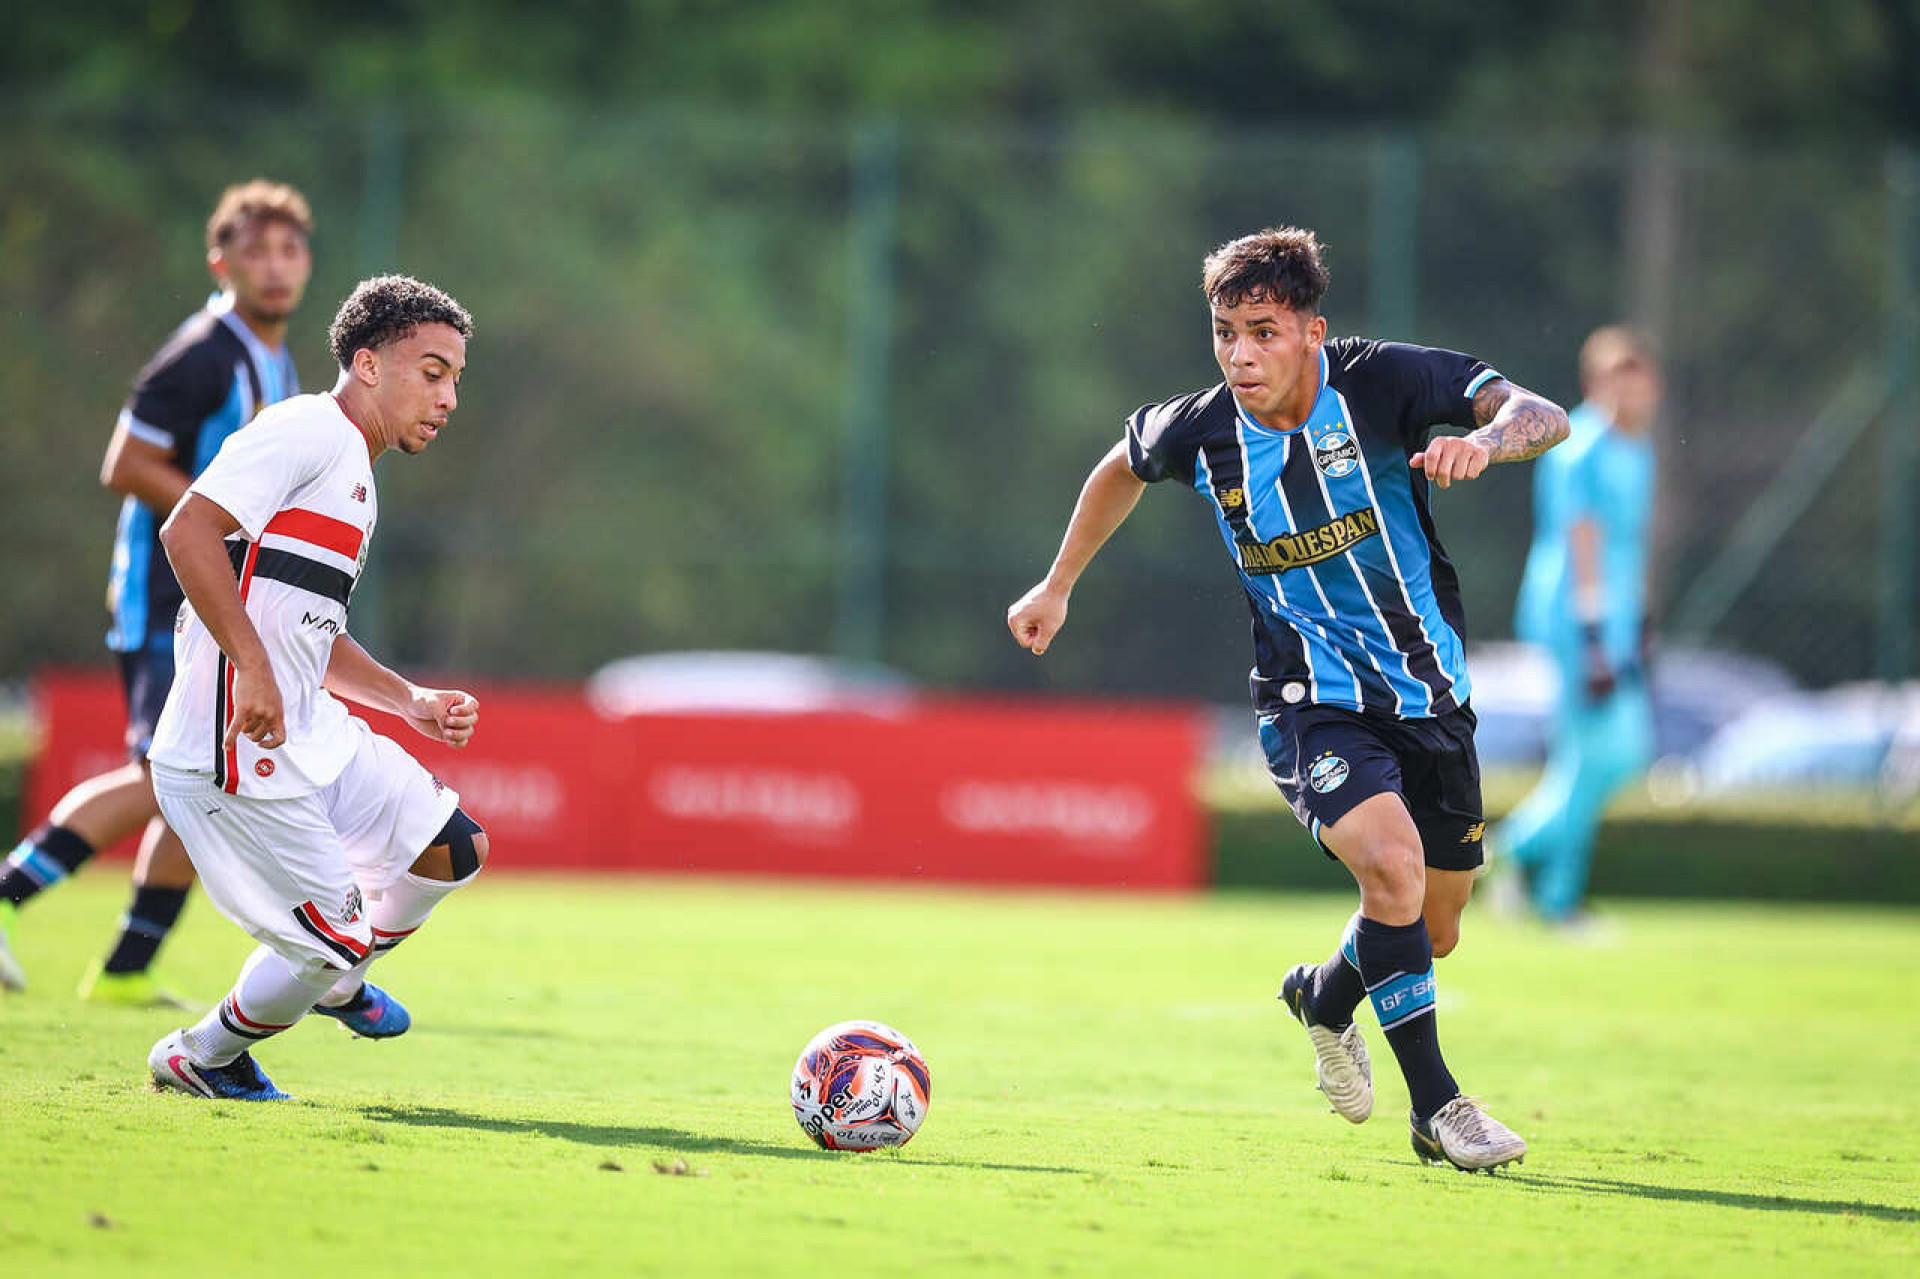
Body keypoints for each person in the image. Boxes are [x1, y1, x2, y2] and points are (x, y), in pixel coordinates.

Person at [1006, 227, 1568, 1172]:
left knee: (1432, 926)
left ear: (1312, 329)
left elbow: (1543, 412)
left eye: (1263, 331)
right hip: (1308, 698)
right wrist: (1056, 584)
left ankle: (1326, 994)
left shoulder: (1385, 384)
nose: (1240, 354)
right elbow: (1120, 465)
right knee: (1387, 867)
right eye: (1226, 332)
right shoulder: (1204, 428)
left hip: (1430, 696)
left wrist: (1485, 442)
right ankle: (1440, 1109)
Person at [142, 274, 485, 1100]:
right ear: (367, 363)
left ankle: (335, 973)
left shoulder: (358, 477)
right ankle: (201, 1054)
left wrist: (410, 701)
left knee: (453, 846)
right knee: (333, 941)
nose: (446, 397)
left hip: (307, 730)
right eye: (431, 371)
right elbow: (186, 528)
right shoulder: (303, 427)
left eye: (455, 380)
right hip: (232, 749)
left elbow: (311, 631)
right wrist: (252, 669)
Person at [0, 180, 313, 1004]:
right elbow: (126, 465)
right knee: (167, 771)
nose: (275, 267)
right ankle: (7, 894)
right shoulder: (204, 352)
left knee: (203, 777)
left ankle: (128, 969)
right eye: (256, 251)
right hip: (166, 597)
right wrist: (220, 516)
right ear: (221, 262)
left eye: (289, 250)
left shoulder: (274, 358)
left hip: (216, 602)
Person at [1495, 326, 1661, 927]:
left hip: (1615, 618)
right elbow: (1583, 540)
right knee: (1588, 757)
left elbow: (1633, 543)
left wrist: (1640, 621)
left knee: (1619, 756)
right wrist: (1594, 635)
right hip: (1575, 614)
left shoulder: (1638, 450)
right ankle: (1553, 895)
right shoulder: (1580, 446)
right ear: (1596, 382)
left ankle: (1515, 858)